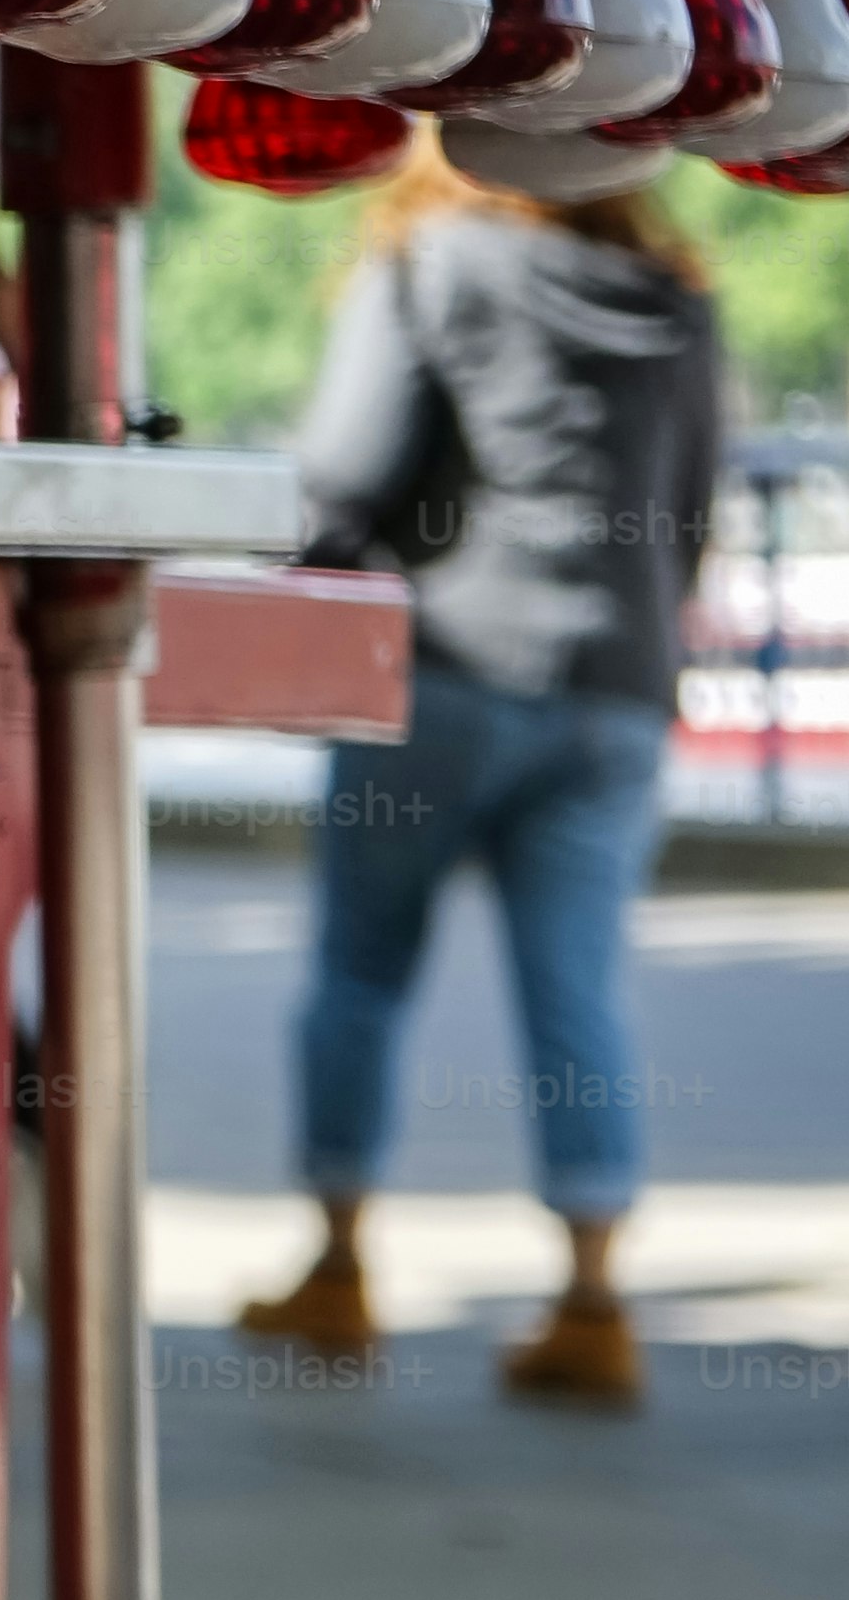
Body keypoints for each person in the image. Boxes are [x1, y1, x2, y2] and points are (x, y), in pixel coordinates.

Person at [237, 137, 719, 1408]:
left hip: (442, 676)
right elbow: (692, 512)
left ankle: (339, 1271)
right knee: (579, 993)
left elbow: (339, 476)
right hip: (615, 691)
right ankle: (592, 1296)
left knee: (360, 972)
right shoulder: (681, 298)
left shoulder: (429, 262)